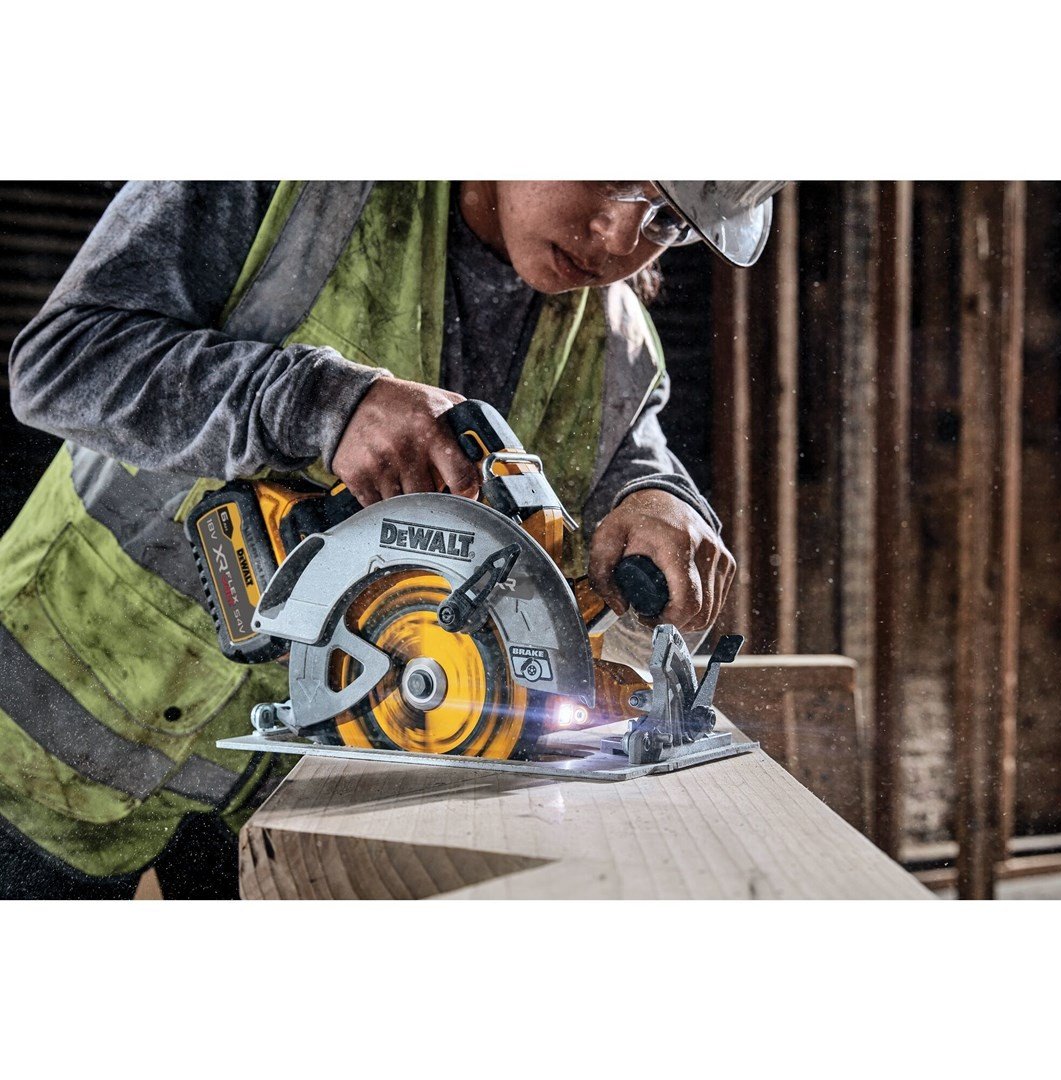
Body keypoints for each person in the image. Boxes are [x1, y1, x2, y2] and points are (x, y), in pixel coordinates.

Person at [0, 180, 781, 899]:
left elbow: (631, 463)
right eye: (614, 177)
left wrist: (663, 498)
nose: (620, 237)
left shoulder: (620, 343)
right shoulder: (298, 180)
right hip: (44, 742)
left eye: (667, 219)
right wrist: (320, 401)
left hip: (305, 785)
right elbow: (60, 361)